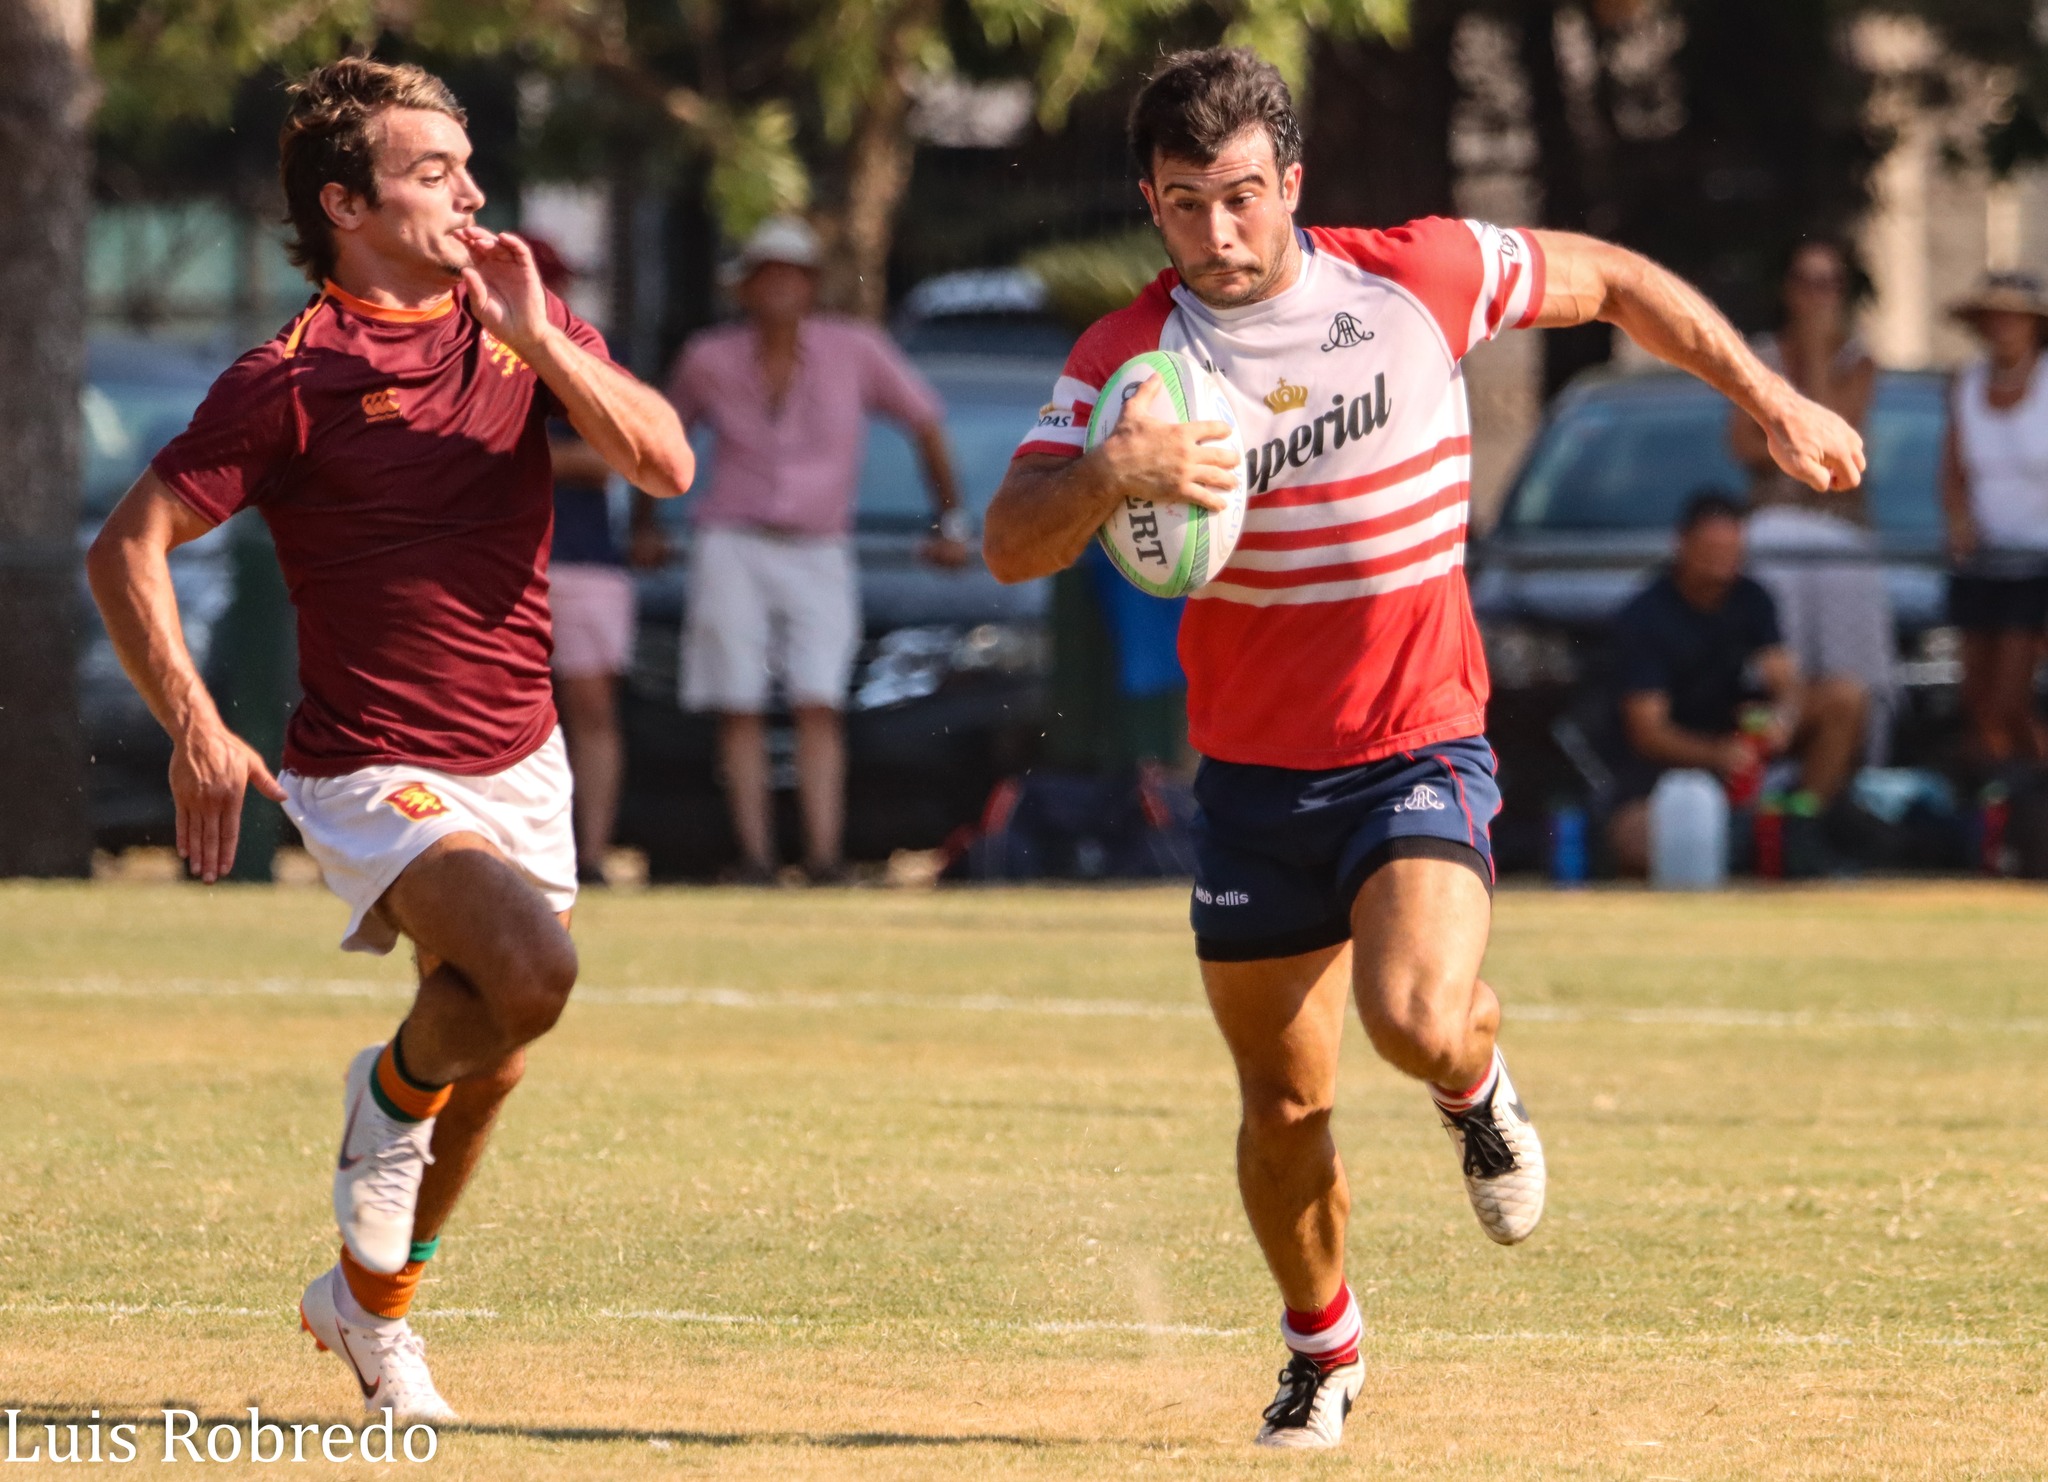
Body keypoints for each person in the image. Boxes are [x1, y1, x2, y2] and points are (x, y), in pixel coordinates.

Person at [983, 47, 1863, 1450]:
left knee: (1414, 1013)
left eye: (1243, 197)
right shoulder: (1132, 370)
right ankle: (1322, 1349)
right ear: (1149, 203)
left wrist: (1767, 395)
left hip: (1418, 740)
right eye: (1185, 203)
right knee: (1282, 1101)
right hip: (1256, 777)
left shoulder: (1416, 277)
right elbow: (1009, 542)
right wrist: (1107, 476)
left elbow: (1616, 278)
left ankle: (1476, 1081)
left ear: (1294, 185)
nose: (1219, 233)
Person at [85, 59, 693, 1420]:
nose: (472, 194)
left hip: (519, 751)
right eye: (436, 173)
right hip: (367, 762)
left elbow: (667, 465)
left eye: (470, 169)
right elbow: (128, 545)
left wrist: (542, 343)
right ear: (347, 204)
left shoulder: (517, 323)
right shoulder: (291, 376)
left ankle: (373, 1306)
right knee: (532, 968)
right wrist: (193, 718)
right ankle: (390, 1090)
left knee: (505, 1035)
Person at [664, 217, 969, 884]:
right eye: (765, 274)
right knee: (737, 698)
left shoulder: (855, 349)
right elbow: (659, 436)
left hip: (820, 543)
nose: (778, 287)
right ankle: (755, 854)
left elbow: (925, 421)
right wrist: (643, 523)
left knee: (819, 696)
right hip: (732, 538)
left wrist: (949, 519)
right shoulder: (708, 356)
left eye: (790, 274)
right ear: (745, 288)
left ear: (810, 285)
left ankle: (824, 854)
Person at [1605, 493, 1868, 877]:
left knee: (1844, 698)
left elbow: (1784, 678)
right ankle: (1731, 843)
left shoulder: (1752, 598)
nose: (1721, 564)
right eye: (1710, 550)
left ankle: (1798, 830)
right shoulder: (1645, 616)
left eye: (1731, 551)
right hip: (1671, 770)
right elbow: (1648, 731)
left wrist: (1782, 718)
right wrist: (1718, 754)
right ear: (1682, 543)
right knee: (1636, 841)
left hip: (1743, 742)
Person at [1728, 241, 1894, 761]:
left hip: (1837, 536)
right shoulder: (1758, 357)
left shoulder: (1857, 361)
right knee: (1779, 675)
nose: (1817, 295)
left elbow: (1832, 438)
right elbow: (1741, 442)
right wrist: (1798, 451)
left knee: (1852, 674)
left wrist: (1819, 349)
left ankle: (1858, 769)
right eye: (1807, 281)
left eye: (1829, 283)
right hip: (1774, 533)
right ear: (1788, 288)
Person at [528, 237, 638, 884]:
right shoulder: (467, 360)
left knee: (590, 710)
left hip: (584, 560)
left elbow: (610, 460)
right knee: (501, 711)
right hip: (497, 563)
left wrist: (517, 454)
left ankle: (589, 854)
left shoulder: (590, 356)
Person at [1941, 270, 2048, 770]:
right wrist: (1960, 522)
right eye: (1995, 315)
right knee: (1979, 707)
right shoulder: (1966, 384)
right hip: (1984, 565)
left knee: (2012, 701)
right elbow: (1954, 473)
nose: (2004, 326)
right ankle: (1995, 823)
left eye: (2014, 316)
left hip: (2038, 567)